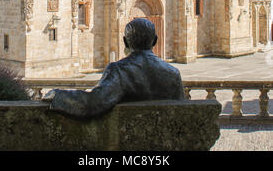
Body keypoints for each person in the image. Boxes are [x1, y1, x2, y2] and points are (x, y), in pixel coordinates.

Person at [43, 18, 185, 118]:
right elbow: (181, 111)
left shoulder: (119, 70)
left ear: (125, 42)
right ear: (155, 41)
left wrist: (58, 95)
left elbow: (93, 103)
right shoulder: (173, 73)